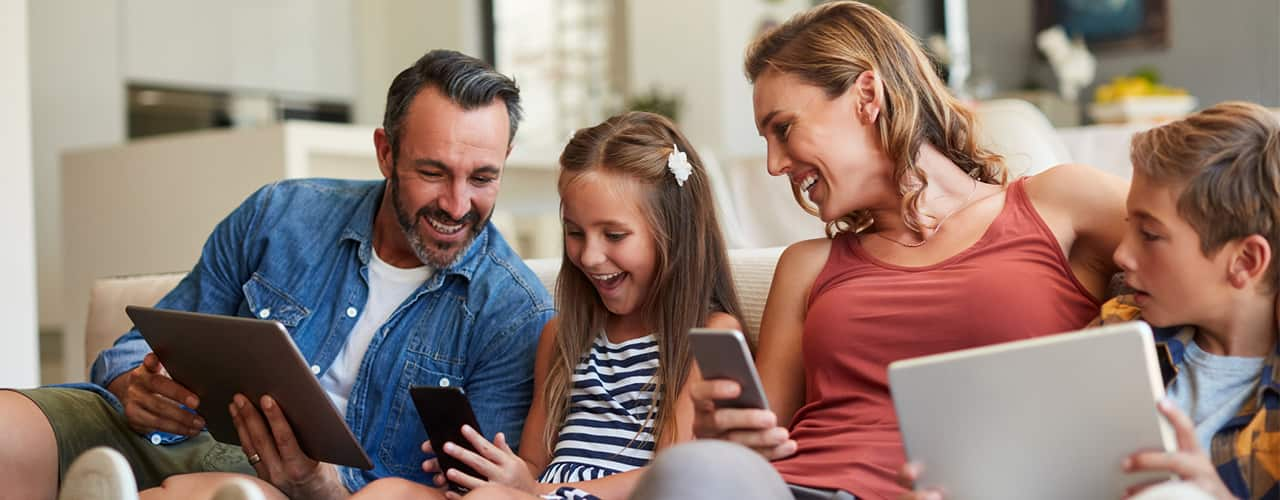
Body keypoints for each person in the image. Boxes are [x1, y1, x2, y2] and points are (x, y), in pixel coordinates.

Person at [0, 49, 555, 500]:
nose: (457, 204)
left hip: (294, 492)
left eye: (483, 177)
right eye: (433, 172)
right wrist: (133, 384)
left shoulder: (513, 312)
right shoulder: (282, 215)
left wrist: (320, 484)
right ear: (386, 153)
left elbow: (469, 494)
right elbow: (137, 345)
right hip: (171, 436)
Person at [631, 2, 1129, 499]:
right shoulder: (808, 266)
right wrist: (724, 438)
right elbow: (764, 440)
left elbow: (1195, 238)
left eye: (783, 129)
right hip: (799, 489)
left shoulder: (1059, 204)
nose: (774, 165)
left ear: (866, 96)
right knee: (689, 470)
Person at [354, 112, 746, 500]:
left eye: (614, 235)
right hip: (537, 494)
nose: (590, 256)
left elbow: (672, 478)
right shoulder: (561, 336)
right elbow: (533, 463)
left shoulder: (710, 336)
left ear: (675, 235)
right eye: (575, 233)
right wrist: (491, 470)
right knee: (386, 493)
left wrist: (535, 490)